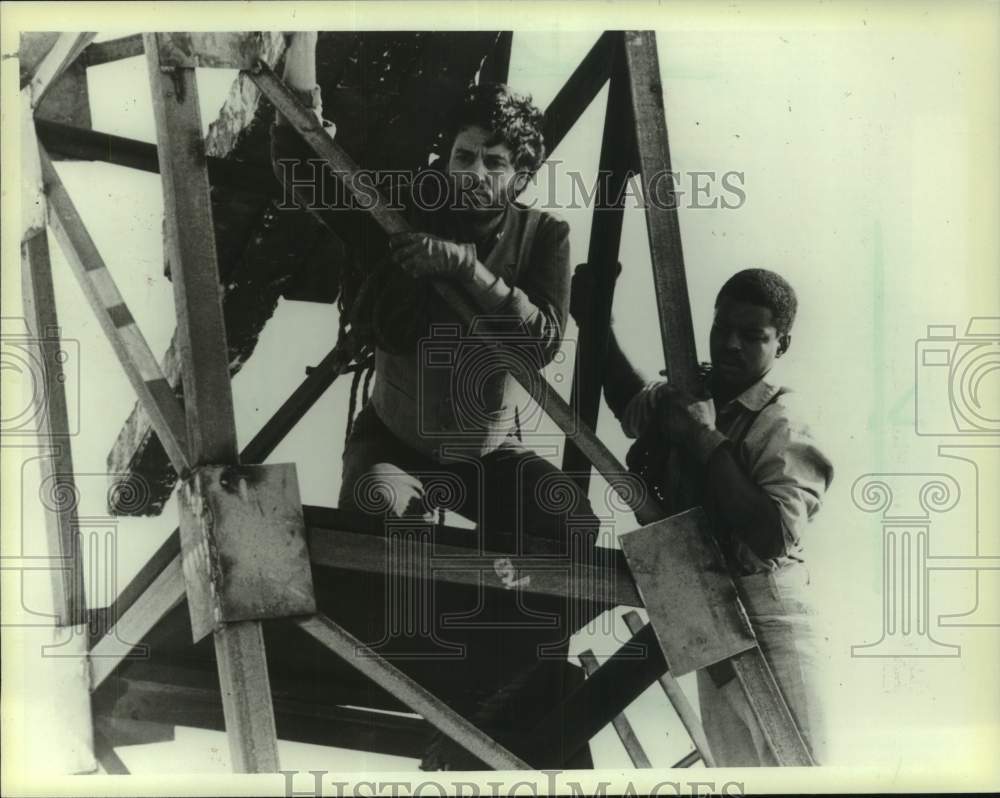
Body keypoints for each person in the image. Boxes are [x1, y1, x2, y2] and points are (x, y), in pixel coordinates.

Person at [271, 33, 598, 769]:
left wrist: (465, 270)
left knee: (570, 523)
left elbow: (541, 341)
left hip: (489, 455)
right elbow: (304, 172)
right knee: (397, 516)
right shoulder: (401, 212)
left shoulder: (545, 234)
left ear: (521, 173)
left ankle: (520, 681)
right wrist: (297, 65)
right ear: (444, 157)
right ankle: (440, 688)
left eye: (492, 163)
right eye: (462, 156)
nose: (473, 175)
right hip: (394, 445)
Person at [581, 265, 834, 766]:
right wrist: (598, 325)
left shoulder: (782, 421)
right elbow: (632, 400)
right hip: (702, 611)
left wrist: (705, 440)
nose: (732, 345)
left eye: (752, 335)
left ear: (780, 345)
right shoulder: (690, 394)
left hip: (768, 615)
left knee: (801, 771)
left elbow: (773, 534)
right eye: (723, 329)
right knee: (738, 773)